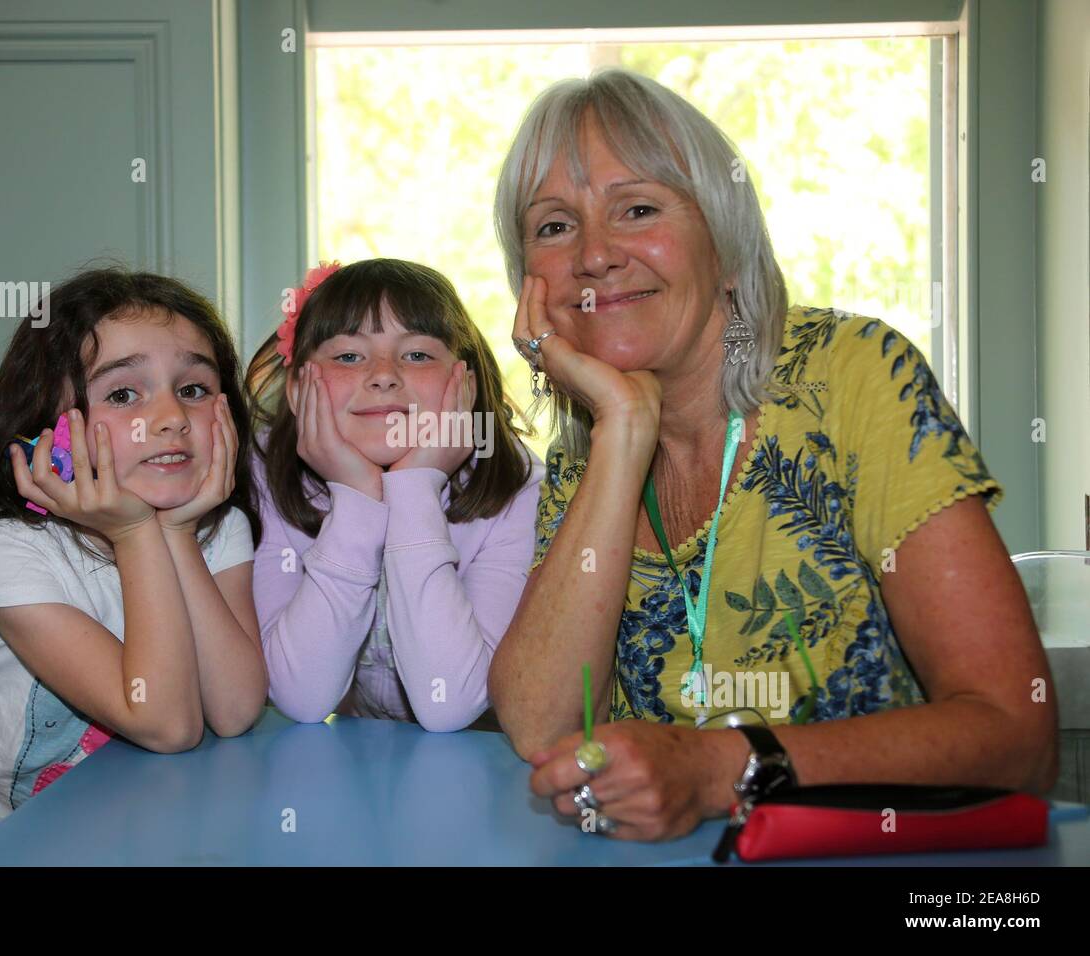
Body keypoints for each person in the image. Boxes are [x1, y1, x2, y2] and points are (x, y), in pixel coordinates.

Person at [486, 68, 1058, 841]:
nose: (594, 256)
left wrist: (717, 767)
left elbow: (1017, 736)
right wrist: (623, 427)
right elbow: (540, 726)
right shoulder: (589, 450)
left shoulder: (856, 377)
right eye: (553, 226)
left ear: (724, 245)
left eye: (639, 209)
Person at [0, 269, 268, 863]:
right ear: (52, 429)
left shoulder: (217, 531)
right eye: (124, 394)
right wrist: (136, 530)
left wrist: (173, 533)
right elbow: (167, 724)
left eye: (194, 388)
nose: (170, 415)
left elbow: (235, 709)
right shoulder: (6, 554)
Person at [247, 258, 543, 732]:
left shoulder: (518, 489)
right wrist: (355, 497)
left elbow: (450, 703)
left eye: (417, 355)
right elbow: (301, 697)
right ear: (300, 387)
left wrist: (415, 487)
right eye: (348, 356)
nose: (384, 375)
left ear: (465, 382)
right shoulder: (266, 475)